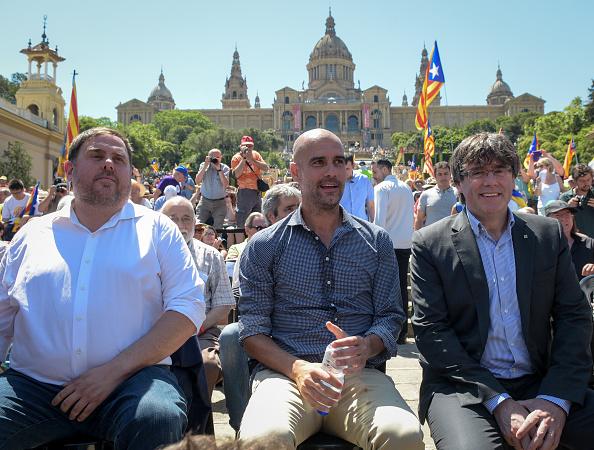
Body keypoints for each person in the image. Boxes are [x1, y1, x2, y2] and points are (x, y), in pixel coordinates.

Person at [0, 127, 206, 449]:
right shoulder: (31, 235)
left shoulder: (158, 229)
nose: (109, 163)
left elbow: (187, 308)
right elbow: (2, 317)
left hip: (132, 382)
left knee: (157, 417)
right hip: (35, 389)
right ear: (69, 170)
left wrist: (112, 373)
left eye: (119, 159)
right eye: (97, 156)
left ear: (129, 173)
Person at [238, 129, 423, 449]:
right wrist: (298, 369)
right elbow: (252, 332)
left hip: (358, 377)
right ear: (295, 172)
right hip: (286, 377)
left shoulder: (376, 241)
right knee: (263, 439)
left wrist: (367, 346)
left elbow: (392, 316)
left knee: (403, 434)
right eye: (319, 162)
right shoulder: (264, 247)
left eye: (339, 162)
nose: (331, 172)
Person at [411, 132, 594, 450]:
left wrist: (555, 399)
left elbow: (574, 317)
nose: (490, 181)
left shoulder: (546, 234)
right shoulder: (430, 244)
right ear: (459, 182)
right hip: (464, 387)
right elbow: (432, 333)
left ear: (514, 178)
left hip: (541, 377)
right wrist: (499, 400)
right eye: (477, 172)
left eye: (499, 170)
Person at [220, 205, 296, 434]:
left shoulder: (307, 243)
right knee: (232, 335)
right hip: (259, 321)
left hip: (295, 326)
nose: (298, 213)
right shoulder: (250, 248)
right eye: (289, 209)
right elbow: (239, 293)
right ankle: (240, 421)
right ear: (272, 215)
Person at [161, 197, 235, 398]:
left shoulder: (211, 256)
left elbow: (224, 305)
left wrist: (197, 326)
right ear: (160, 221)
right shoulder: (149, 254)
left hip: (201, 331)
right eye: (172, 218)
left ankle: (198, 421)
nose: (180, 225)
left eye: (186, 219)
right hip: (158, 332)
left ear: (195, 223)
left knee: (207, 364)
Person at [372, 159, 414, 345]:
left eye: (375, 171)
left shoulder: (382, 188)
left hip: (388, 243)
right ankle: (402, 331)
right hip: (405, 242)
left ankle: (390, 331)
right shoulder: (406, 187)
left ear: (384, 169)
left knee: (385, 288)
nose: (373, 175)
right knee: (402, 289)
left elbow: (379, 220)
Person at [544, 199, 594, 281]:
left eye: (567, 213)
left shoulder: (589, 243)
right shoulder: (542, 246)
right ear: (547, 220)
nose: (564, 218)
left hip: (583, 292)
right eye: (558, 215)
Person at [231, 136, 269, 228]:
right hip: (245, 191)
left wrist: (252, 160)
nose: (248, 148)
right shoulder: (236, 158)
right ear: (241, 146)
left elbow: (265, 168)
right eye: (245, 146)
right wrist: (244, 160)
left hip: (257, 191)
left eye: (250, 146)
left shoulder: (256, 155)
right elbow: (236, 175)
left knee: (257, 218)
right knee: (242, 219)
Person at [414, 161, 456, 229]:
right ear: (435, 176)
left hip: (453, 237)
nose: (443, 177)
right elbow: (419, 220)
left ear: (450, 174)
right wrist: (416, 237)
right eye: (440, 174)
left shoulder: (458, 193)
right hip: (431, 238)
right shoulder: (426, 195)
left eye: (446, 174)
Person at [195, 148, 230, 229]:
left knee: (218, 227)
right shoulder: (203, 165)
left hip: (220, 202)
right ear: (208, 157)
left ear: (221, 158)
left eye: (217, 157)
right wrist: (205, 167)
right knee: (198, 224)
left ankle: (216, 241)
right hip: (205, 201)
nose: (215, 159)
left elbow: (226, 185)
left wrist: (219, 169)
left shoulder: (225, 168)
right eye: (212, 157)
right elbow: (197, 181)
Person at [560, 164, 594, 237]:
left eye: (588, 180)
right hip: (576, 241)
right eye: (582, 181)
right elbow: (557, 221)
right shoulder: (565, 197)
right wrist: (567, 207)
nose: (586, 183)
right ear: (574, 181)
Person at [339, 155, 374, 221]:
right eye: (342, 169)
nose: (344, 173)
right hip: (342, 226)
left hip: (362, 225)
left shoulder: (364, 180)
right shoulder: (336, 183)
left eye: (347, 169)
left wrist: (373, 226)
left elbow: (371, 205)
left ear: (353, 166)